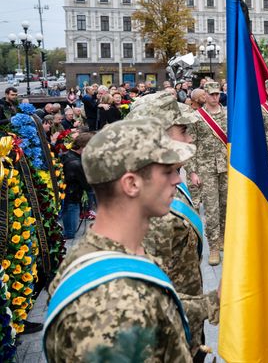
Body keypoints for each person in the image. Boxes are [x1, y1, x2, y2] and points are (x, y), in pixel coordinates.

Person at [43, 118, 197, 362]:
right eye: (167, 171)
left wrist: (216, 302)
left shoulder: (117, 253)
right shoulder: (109, 308)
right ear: (131, 184)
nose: (177, 180)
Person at [129, 92, 219, 362]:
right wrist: (217, 302)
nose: (190, 138)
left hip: (187, 334)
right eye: (182, 130)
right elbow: (148, 304)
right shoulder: (149, 208)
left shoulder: (164, 184)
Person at [185, 81, 228, 266]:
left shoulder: (228, 114)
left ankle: (223, 239)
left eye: (217, 94)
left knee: (226, 206)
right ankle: (213, 248)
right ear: (205, 96)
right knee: (211, 209)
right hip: (206, 168)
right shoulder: (196, 117)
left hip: (227, 168)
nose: (214, 97)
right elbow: (190, 145)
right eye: (211, 94)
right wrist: (192, 171)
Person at [59, 132, 94, 240]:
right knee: (70, 233)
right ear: (83, 146)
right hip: (72, 196)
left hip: (69, 195)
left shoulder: (68, 155)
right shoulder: (75, 163)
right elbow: (87, 184)